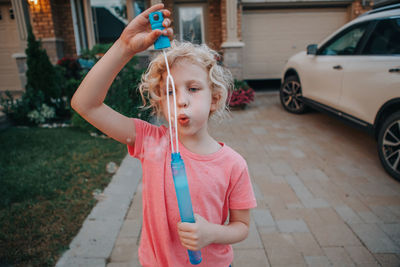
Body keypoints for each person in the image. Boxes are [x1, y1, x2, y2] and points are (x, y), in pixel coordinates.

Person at [71, 3, 257, 266]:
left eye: (193, 88)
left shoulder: (233, 164)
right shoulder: (150, 141)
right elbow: (84, 104)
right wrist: (124, 47)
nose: (181, 100)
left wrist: (211, 233)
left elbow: (241, 226)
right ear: (160, 103)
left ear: (214, 99)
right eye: (170, 92)